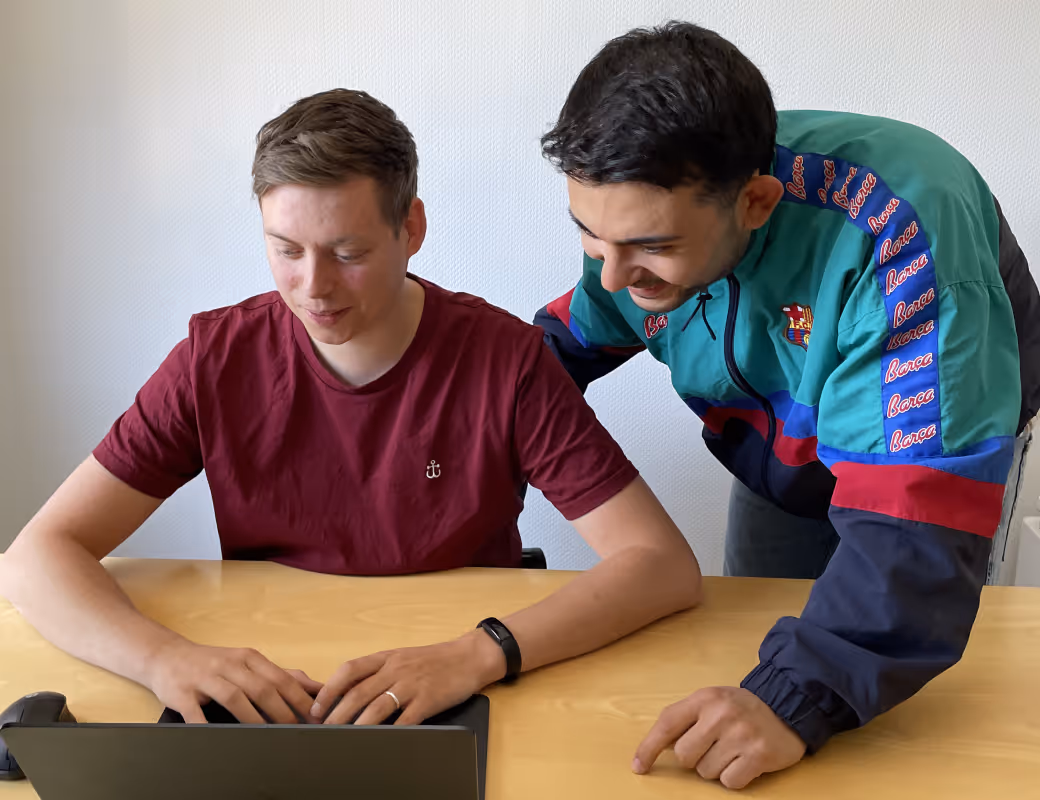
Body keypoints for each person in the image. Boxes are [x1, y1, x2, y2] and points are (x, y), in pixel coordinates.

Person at [0, 89, 703, 729]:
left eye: (348, 252)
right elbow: (34, 557)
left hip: (452, 685)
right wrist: (162, 660)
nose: (315, 288)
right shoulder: (214, 358)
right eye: (286, 251)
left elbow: (662, 564)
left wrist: (481, 652)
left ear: (412, 229)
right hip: (274, 688)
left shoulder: (505, 359)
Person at [535, 21, 1040, 790]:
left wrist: (796, 698)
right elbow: (571, 338)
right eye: (590, 239)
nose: (610, 278)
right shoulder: (641, 233)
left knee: (895, 706)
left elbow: (920, 522)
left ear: (758, 202)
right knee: (759, 648)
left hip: (949, 445)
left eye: (649, 249)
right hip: (779, 441)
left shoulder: (901, 236)